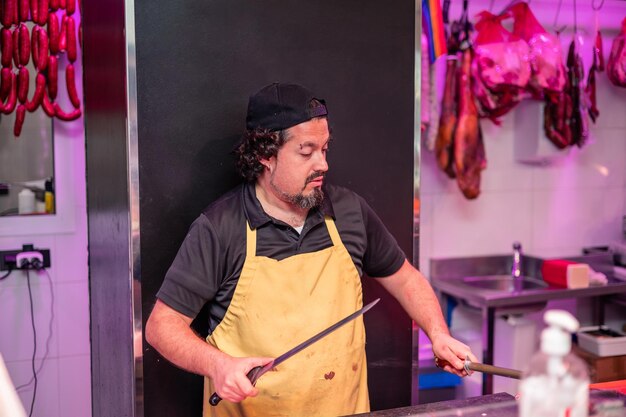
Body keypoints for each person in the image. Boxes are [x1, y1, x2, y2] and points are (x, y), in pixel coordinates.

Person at [145, 82, 477, 417]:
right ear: (266, 155)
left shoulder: (349, 212)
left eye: (325, 149)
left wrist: (439, 334)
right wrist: (218, 365)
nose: (322, 164)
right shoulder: (220, 228)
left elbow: (405, 278)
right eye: (306, 152)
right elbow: (162, 327)